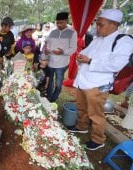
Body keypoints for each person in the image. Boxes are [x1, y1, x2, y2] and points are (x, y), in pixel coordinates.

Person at [70, 9, 133, 150]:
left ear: (113, 24)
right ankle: (82, 127)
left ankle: (98, 139)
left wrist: (90, 61)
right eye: (97, 25)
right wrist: (81, 57)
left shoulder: (124, 41)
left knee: (95, 113)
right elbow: (85, 54)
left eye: (100, 25)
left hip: (98, 84)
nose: (97, 28)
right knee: (81, 106)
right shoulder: (98, 39)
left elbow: (117, 64)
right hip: (84, 80)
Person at [44, 12, 77, 102]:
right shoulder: (53, 31)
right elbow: (47, 42)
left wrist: (63, 52)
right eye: (57, 22)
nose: (59, 24)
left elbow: (73, 48)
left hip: (62, 63)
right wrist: (47, 49)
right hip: (51, 61)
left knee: (58, 83)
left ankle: (54, 98)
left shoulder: (72, 32)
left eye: (61, 22)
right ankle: (48, 96)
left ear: (66, 21)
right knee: (50, 80)